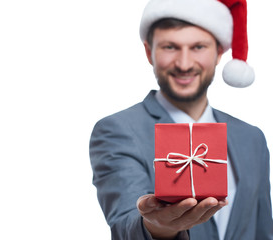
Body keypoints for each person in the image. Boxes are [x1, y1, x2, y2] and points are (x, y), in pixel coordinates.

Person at [89, 0, 273, 239]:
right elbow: (125, 223)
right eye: (170, 47)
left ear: (218, 53)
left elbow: (263, 231)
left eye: (198, 47)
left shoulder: (251, 138)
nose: (184, 64)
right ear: (149, 52)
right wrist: (159, 227)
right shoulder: (117, 131)